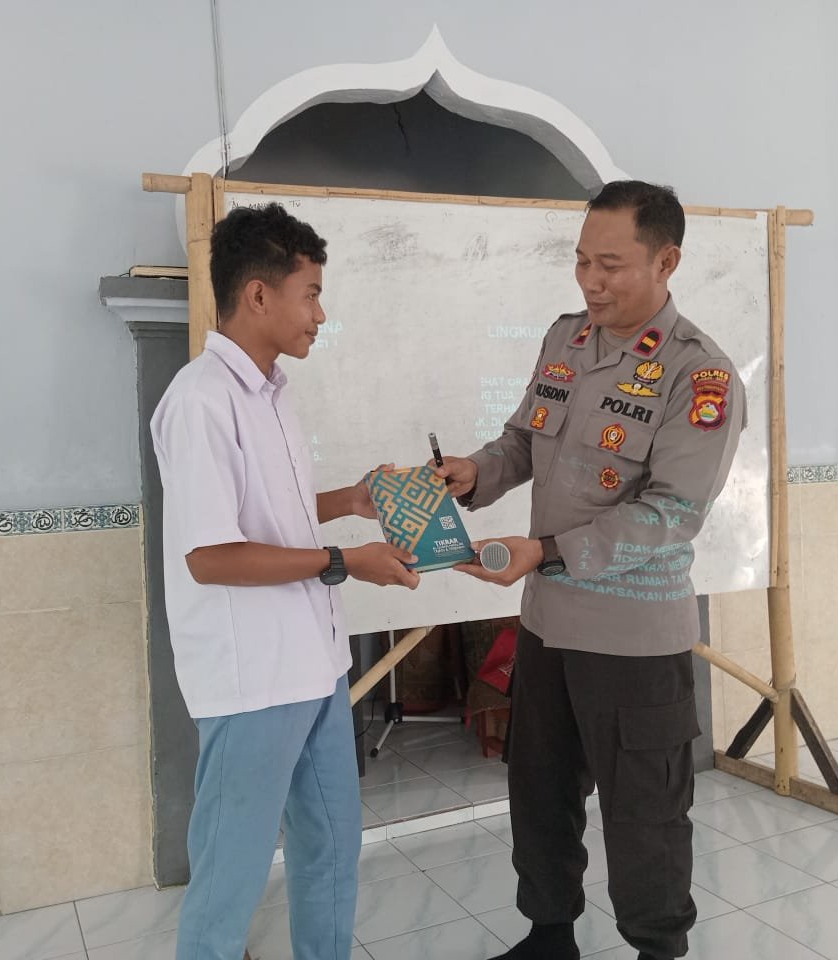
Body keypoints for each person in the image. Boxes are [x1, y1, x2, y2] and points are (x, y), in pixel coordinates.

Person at [435, 181, 746, 960]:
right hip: (549, 626)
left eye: (611, 265)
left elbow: (672, 512)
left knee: (645, 816)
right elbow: (521, 441)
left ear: (667, 262)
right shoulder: (567, 340)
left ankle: (657, 949)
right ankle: (549, 938)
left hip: (634, 641)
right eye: (581, 262)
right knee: (539, 794)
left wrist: (546, 552)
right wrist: (474, 473)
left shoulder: (698, 375)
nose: (591, 282)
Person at [150, 202, 420, 960]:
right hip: (252, 682)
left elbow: (272, 514)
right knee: (229, 876)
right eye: (311, 295)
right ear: (259, 295)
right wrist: (345, 562)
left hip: (316, 665)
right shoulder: (200, 401)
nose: (320, 315)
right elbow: (211, 556)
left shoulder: (272, 391)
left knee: (331, 846)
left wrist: (350, 501)